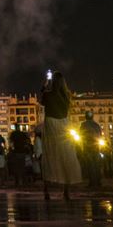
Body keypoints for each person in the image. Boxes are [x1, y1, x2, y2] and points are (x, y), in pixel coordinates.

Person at [39, 72, 82, 200]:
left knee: (50, 155)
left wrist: (45, 86)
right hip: (64, 124)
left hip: (51, 123)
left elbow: (42, 101)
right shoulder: (67, 96)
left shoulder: (48, 94)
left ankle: (46, 190)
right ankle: (66, 191)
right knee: (66, 154)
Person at [79, 111, 103, 189]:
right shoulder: (96, 125)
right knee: (97, 164)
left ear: (85, 117)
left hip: (87, 146)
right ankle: (98, 181)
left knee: (90, 164)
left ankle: (92, 182)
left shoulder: (83, 125)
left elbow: (81, 136)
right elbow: (100, 135)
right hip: (96, 146)